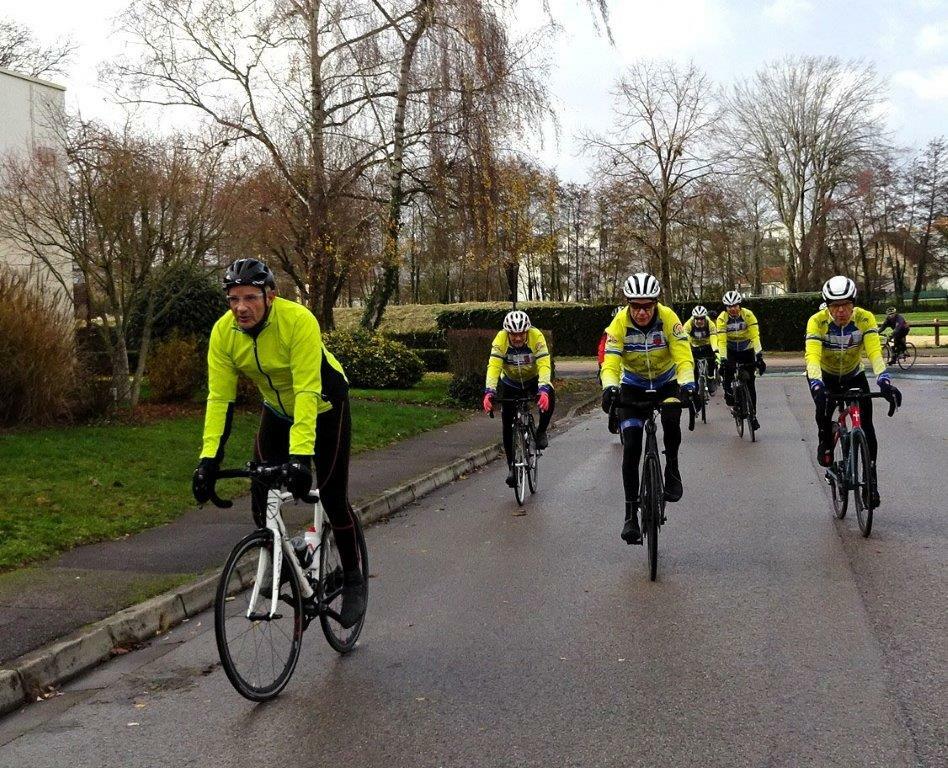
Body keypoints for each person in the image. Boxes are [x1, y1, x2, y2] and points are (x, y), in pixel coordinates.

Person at [191, 258, 365, 628]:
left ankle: (353, 578)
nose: (241, 307)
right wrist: (208, 460)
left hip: (324, 405)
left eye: (250, 297)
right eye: (233, 299)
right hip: (277, 410)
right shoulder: (223, 333)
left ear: (270, 296)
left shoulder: (298, 321)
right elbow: (219, 399)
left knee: (332, 496)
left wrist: (301, 457)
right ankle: (290, 562)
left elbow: (306, 390)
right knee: (261, 490)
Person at [600, 273, 695, 545]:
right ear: (628, 304)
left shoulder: (669, 319)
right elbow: (611, 362)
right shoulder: (619, 323)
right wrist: (610, 387)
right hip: (633, 384)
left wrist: (688, 384)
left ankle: (672, 468)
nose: (641, 312)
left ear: (655, 304)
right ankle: (630, 514)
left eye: (647, 306)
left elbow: (683, 356)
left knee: (672, 419)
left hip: (666, 381)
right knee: (631, 446)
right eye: (636, 306)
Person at [805, 276, 902, 507]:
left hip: (853, 374)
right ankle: (825, 441)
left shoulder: (864, 318)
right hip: (825, 375)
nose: (841, 311)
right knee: (823, 411)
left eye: (846, 305)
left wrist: (884, 380)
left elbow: (875, 353)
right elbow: (812, 356)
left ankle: (871, 483)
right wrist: (816, 384)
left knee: (867, 426)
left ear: (853, 303)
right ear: (827, 306)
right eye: (834, 306)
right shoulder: (816, 322)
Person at [483, 310, 555, 487]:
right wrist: (489, 392)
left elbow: (544, 365)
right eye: (513, 334)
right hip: (510, 382)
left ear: (527, 331)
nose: (517, 338)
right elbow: (493, 366)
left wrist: (543, 389)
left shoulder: (536, 337)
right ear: (507, 333)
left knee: (550, 397)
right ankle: (511, 469)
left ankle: (540, 431)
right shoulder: (500, 340)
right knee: (507, 423)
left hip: (533, 379)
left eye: (521, 334)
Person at [716, 290, 765, 430]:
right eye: (729, 306)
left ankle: (753, 416)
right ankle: (729, 394)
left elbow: (755, 336)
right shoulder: (721, 319)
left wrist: (759, 355)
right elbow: (722, 341)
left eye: (735, 306)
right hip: (731, 350)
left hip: (747, 349)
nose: (732, 309)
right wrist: (723, 359)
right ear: (726, 307)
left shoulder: (748, 315)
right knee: (727, 373)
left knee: (750, 384)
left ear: (740, 305)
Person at [683, 305, 718, 394]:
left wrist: (715, 349)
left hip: (707, 344)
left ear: (705, 317)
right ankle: (695, 385)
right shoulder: (689, 323)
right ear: (693, 318)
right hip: (694, 345)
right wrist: (688, 347)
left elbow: (713, 336)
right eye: (697, 318)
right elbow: (685, 335)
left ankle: (710, 379)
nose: (699, 321)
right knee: (693, 366)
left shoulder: (710, 323)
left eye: (702, 318)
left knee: (712, 360)